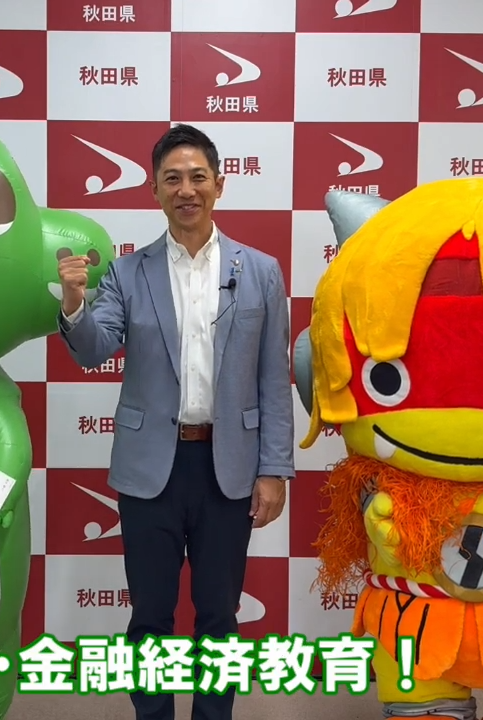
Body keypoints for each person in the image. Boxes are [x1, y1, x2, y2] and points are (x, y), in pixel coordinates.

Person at [56, 123, 295, 720]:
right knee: (150, 618)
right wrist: (74, 304)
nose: (186, 190)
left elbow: (273, 377)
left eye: (197, 177)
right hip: (150, 471)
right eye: (172, 179)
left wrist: (274, 470)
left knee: (219, 616)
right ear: (155, 189)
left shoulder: (261, 271)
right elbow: (93, 350)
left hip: (228, 468)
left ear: (219, 184)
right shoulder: (127, 272)